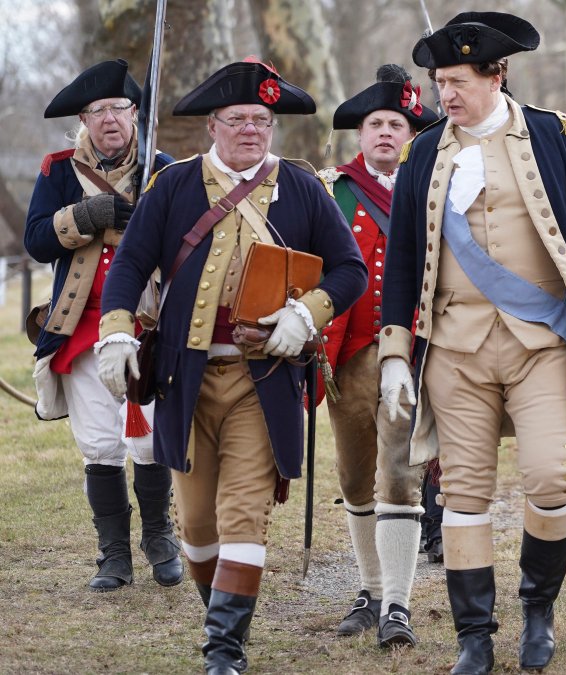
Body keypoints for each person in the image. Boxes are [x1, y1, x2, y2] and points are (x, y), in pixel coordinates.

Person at [378, 12, 566, 674]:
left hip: (541, 341)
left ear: (497, 75)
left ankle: (538, 610)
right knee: (465, 490)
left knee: (550, 477)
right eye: (440, 81)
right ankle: (475, 635)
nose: (447, 94)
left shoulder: (557, 137)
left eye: (459, 81)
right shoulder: (423, 154)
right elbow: (400, 259)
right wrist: (394, 354)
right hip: (455, 344)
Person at [96, 59, 367, 673]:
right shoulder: (172, 186)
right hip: (183, 381)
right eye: (239, 119)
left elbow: (348, 269)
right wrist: (115, 334)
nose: (251, 129)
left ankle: (223, 649)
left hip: (263, 380)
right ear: (212, 125)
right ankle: (223, 612)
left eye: (262, 120)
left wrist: (307, 315)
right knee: (196, 528)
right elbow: (132, 266)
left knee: (243, 513)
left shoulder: (300, 186)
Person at [25, 59, 181, 592]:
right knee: (100, 445)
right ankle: (113, 555)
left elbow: (187, 246)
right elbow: (38, 239)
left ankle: (160, 538)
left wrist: (147, 221)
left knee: (151, 442)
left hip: (147, 325)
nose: (110, 119)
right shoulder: (57, 170)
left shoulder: (163, 167)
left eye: (118, 108)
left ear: (135, 113)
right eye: (98, 111)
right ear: (85, 119)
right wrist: (86, 217)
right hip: (80, 326)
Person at [316, 63, 437, 647]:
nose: (386, 132)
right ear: (359, 135)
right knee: (354, 475)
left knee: (399, 474)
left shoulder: (434, 185)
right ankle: (369, 587)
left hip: (410, 352)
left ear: (411, 135)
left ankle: (397, 602)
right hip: (345, 357)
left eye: (397, 124)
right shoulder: (330, 189)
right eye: (375, 124)